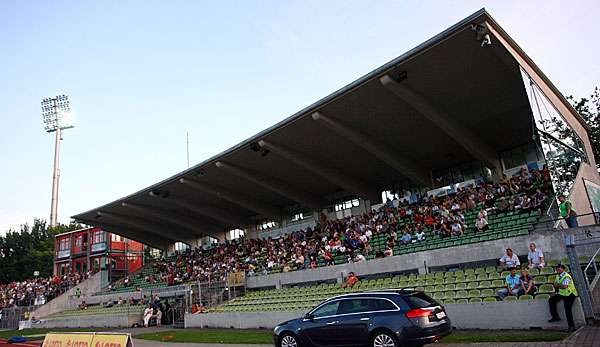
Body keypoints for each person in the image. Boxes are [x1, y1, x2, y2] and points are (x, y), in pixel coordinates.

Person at [548, 264, 578, 332]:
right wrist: (558, 286)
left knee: (568, 309)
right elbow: (555, 285)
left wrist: (558, 285)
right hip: (562, 293)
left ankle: (571, 326)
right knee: (551, 300)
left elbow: (565, 286)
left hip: (570, 294)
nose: (557, 270)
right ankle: (555, 316)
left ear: (563, 269)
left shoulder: (567, 276)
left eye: (559, 268)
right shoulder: (558, 276)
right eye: (557, 268)